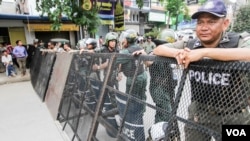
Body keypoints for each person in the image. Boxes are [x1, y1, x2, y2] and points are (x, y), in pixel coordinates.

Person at [153, 0, 250, 140]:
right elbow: (159, 49)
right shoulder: (192, 44)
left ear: (225, 24)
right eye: (200, 22)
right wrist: (177, 53)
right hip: (199, 113)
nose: (204, 27)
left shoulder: (237, 41)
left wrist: (205, 53)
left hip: (234, 116)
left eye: (211, 22)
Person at [116, 29, 147, 141]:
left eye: (123, 39)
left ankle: (134, 124)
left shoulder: (125, 51)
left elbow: (114, 60)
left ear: (127, 40)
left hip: (133, 79)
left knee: (131, 101)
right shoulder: (138, 47)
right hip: (142, 75)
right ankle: (140, 116)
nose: (122, 41)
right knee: (141, 98)